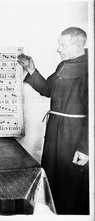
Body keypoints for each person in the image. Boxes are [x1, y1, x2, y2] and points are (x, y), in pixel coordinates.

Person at [17, 27, 89, 214]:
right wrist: (31, 70)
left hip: (74, 137)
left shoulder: (91, 69)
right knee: (52, 178)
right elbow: (48, 89)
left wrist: (86, 148)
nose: (58, 49)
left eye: (62, 44)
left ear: (79, 45)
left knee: (71, 183)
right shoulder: (64, 65)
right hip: (55, 132)